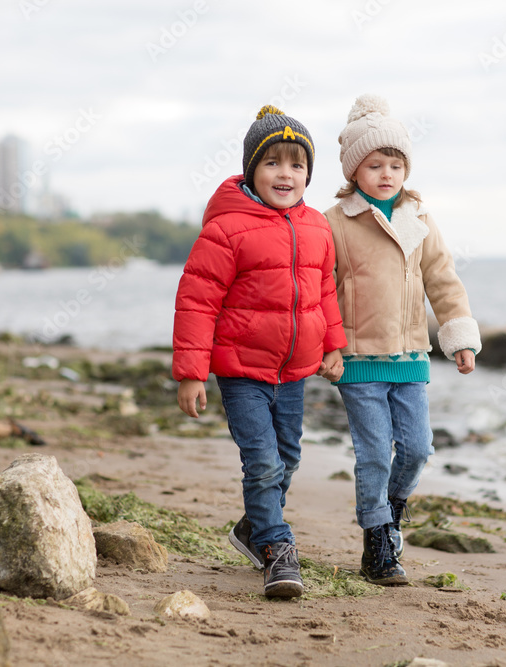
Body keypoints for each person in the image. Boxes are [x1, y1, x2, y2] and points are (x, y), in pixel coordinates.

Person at [172, 105, 346, 598]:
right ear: (252, 169)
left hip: (292, 372)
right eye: (273, 163)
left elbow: (324, 292)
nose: (285, 174)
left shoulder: (316, 227)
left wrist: (334, 344)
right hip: (242, 371)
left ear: (309, 173)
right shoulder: (225, 230)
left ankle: (251, 528)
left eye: (296, 164)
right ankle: (276, 547)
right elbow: (196, 301)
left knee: (287, 457)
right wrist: (191, 372)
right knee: (263, 462)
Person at [324, 94, 481, 586]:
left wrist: (459, 336)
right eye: (375, 165)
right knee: (373, 453)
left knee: (417, 449)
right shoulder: (336, 223)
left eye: (396, 164)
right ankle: (376, 541)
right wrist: (325, 346)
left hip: (411, 359)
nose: (387, 174)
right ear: (355, 171)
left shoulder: (420, 221)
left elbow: (443, 280)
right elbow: (320, 289)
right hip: (358, 361)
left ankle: (391, 509)